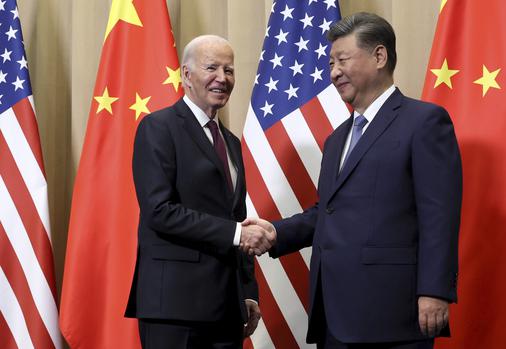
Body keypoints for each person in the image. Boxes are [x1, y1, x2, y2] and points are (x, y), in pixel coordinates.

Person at [244, 12, 462, 349]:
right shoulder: (337, 139)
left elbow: (439, 215)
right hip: (334, 314)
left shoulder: (424, 122)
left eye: (342, 60)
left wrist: (434, 291)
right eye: (330, 63)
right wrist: (277, 233)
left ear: (379, 56)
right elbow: (329, 212)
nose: (333, 73)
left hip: (393, 315)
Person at [125, 35, 274, 349]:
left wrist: (246, 291)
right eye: (212, 68)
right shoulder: (158, 128)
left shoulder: (231, 143)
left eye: (229, 70)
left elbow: (237, 218)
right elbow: (159, 211)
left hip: (226, 309)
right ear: (186, 75)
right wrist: (236, 234)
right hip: (175, 309)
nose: (222, 78)